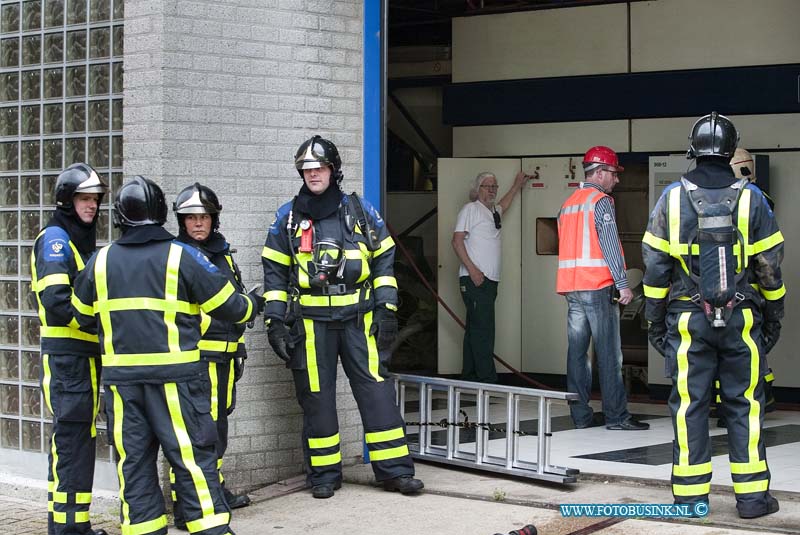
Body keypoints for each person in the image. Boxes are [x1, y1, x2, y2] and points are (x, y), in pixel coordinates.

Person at [72, 176, 264, 535]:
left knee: (135, 469)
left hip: (122, 390)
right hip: (177, 384)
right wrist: (254, 302)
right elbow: (232, 308)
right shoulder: (183, 257)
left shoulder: (100, 261)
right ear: (163, 214)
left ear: (119, 217)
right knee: (193, 461)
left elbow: (80, 315)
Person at [262, 135, 423, 499]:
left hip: (359, 319)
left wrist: (387, 310)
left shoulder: (360, 212)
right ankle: (323, 474)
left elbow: (384, 260)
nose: (313, 174)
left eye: (319, 168)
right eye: (306, 169)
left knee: (376, 391)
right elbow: (273, 270)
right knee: (317, 398)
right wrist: (274, 320)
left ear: (333, 171)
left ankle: (395, 472)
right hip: (310, 324)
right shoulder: (288, 219)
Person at [642, 112, 784, 518]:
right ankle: (753, 498)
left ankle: (689, 499)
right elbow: (770, 267)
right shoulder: (753, 198)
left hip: (687, 321)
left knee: (690, 406)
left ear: (694, 150)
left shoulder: (670, 198)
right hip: (742, 320)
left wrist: (655, 319)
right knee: (746, 405)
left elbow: (654, 267)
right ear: (731, 150)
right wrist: (773, 316)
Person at [32, 163, 109, 535]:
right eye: (84, 198)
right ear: (67, 200)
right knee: (70, 444)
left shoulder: (80, 242)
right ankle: (65, 530)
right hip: (68, 362)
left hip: (83, 361)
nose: (92, 205)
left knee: (79, 444)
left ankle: (75, 526)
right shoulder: (56, 240)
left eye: (95, 199)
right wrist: (104, 323)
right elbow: (57, 303)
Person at [170, 183, 252, 529]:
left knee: (217, 428)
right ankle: (187, 502)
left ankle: (214, 487)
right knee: (197, 433)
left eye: (203, 217)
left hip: (226, 360)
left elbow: (235, 294)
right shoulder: (178, 256)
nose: (198, 224)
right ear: (182, 222)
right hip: (198, 361)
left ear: (213, 219)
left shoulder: (223, 252)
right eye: (191, 218)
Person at [556, 146, 649, 431]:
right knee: (609, 353)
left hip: (572, 287)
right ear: (598, 172)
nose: (617, 180)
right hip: (597, 286)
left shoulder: (569, 203)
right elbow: (609, 245)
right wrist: (623, 284)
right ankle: (617, 416)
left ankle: (581, 416)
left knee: (577, 354)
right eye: (613, 173)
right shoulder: (600, 202)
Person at [712, 148, 777, 426]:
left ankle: (728, 407)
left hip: (714, 292)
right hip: (749, 295)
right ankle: (749, 405)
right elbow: (769, 260)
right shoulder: (758, 200)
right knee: (748, 353)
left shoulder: (705, 199)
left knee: (726, 353)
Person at [451, 170, 528, 383]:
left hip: (489, 281)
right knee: (484, 331)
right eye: (487, 186)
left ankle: (470, 377)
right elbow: (457, 241)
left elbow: (504, 204)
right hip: (475, 279)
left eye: (495, 186)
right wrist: (474, 271)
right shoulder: (470, 210)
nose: (492, 190)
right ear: (478, 189)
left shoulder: (492, 211)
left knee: (475, 330)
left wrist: (516, 186)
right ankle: (487, 380)